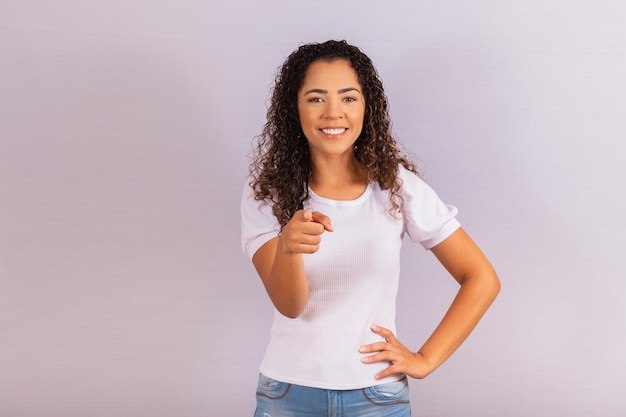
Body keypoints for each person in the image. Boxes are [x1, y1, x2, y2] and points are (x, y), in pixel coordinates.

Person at [241, 39, 500, 416]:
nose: (334, 112)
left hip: (376, 398)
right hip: (288, 395)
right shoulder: (266, 192)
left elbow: (480, 277)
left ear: (367, 107)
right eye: (316, 98)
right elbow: (290, 305)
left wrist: (425, 359)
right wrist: (288, 247)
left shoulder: (396, 186)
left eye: (348, 98)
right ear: (293, 109)